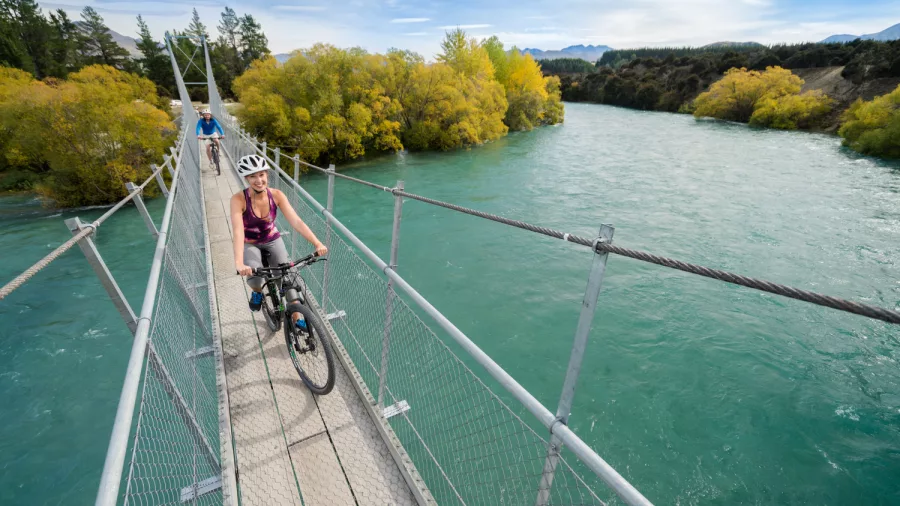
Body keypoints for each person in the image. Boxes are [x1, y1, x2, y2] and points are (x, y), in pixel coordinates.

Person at [231, 154, 328, 322]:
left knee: (287, 277)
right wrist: (239, 263)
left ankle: (297, 317)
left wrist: (317, 242)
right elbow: (238, 231)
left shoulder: (276, 195)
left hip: (272, 238)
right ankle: (257, 292)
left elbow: (296, 221)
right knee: (255, 276)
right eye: (253, 176)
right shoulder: (238, 200)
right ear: (247, 178)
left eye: (261, 175)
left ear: (267, 175)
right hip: (250, 242)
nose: (258, 180)